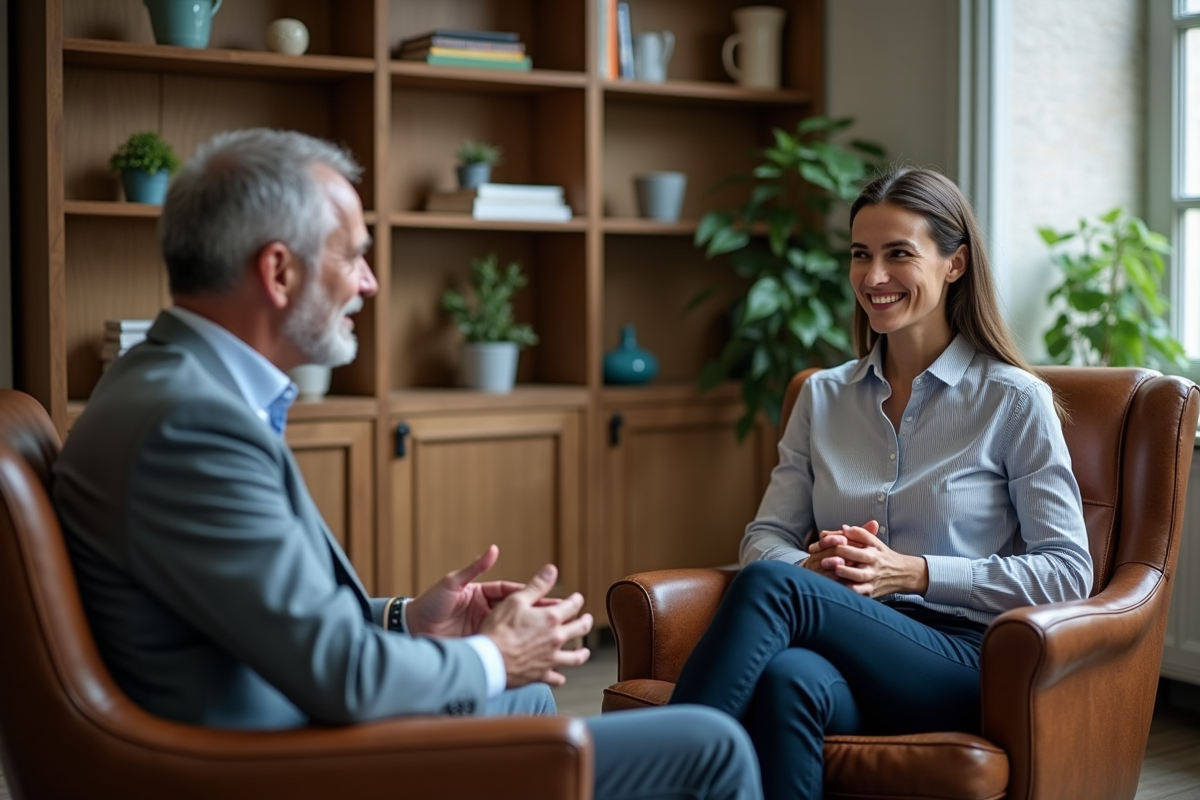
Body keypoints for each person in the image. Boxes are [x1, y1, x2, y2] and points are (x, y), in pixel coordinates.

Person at [52, 128, 761, 800]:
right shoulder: (192, 426)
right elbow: (338, 675)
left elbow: (251, 611)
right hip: (273, 765)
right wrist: (496, 655)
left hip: (282, 713)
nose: (369, 282)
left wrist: (406, 621)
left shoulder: (164, 380)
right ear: (279, 271)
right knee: (712, 745)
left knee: (524, 700)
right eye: (353, 256)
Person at [666, 166, 1094, 799]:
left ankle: (651, 776)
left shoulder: (1013, 400)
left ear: (954, 264)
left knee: (772, 588)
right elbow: (764, 538)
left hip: (963, 658)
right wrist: (812, 568)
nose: (873, 278)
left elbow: (1067, 573)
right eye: (860, 255)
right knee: (787, 679)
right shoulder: (822, 396)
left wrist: (913, 573)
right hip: (846, 642)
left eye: (899, 254)